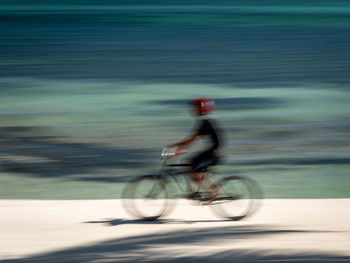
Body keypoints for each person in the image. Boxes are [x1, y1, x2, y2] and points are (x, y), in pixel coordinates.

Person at [168, 98, 224, 198]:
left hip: (213, 152)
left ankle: (213, 191)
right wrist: (179, 150)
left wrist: (173, 147)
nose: (191, 110)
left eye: (194, 108)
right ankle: (195, 191)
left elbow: (190, 140)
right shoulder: (205, 121)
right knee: (190, 166)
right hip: (214, 151)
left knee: (191, 167)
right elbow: (192, 140)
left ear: (199, 109)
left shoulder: (204, 123)